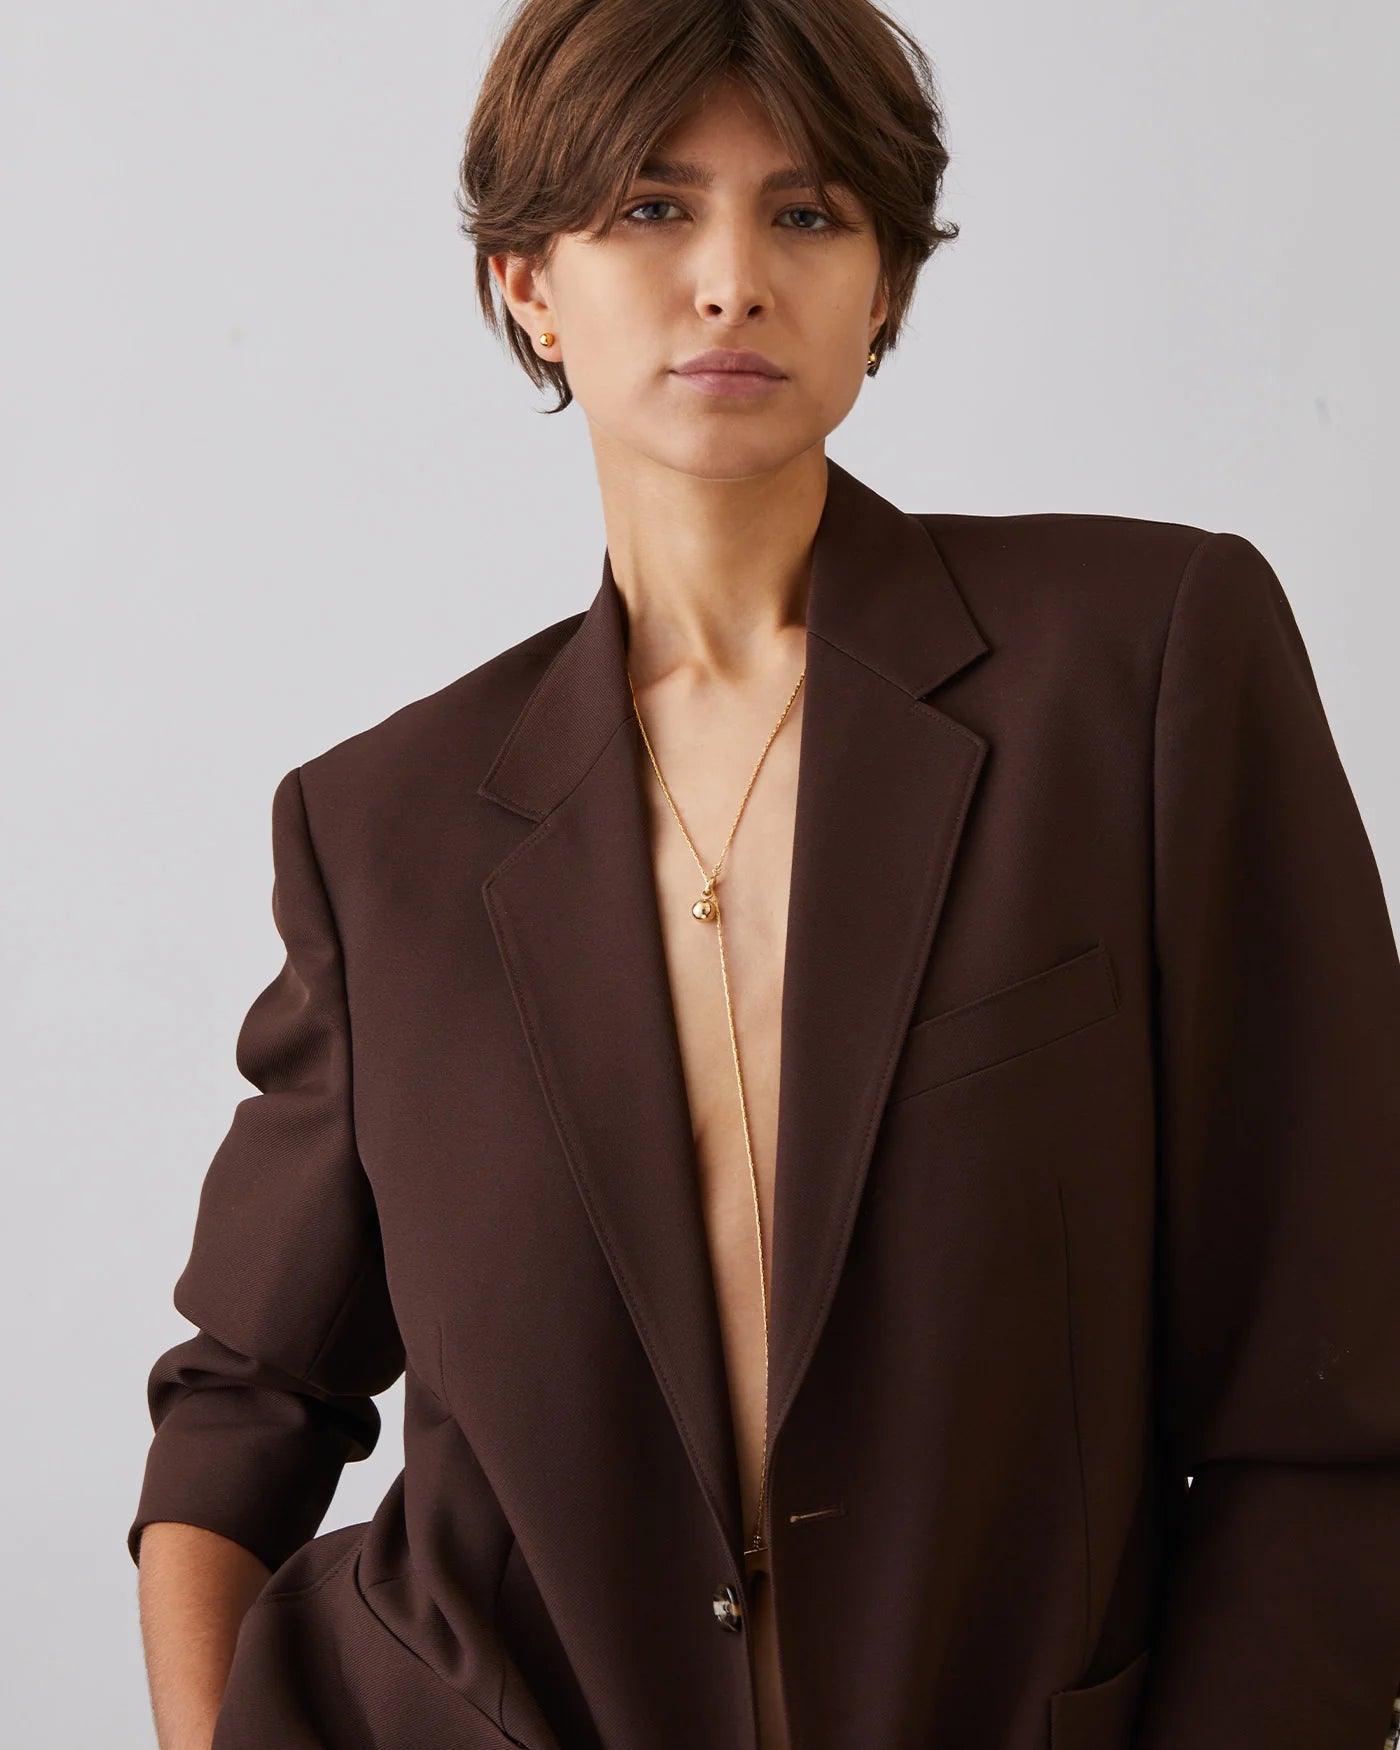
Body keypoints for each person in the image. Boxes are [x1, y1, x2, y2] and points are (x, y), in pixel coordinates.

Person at [126, 2, 1400, 1747]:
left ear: (884, 288)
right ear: (528, 281)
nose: (732, 280)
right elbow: (240, 1402)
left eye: (806, 213)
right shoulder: (382, 832)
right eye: (652, 207)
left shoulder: (1145, 673)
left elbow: (1335, 1391)